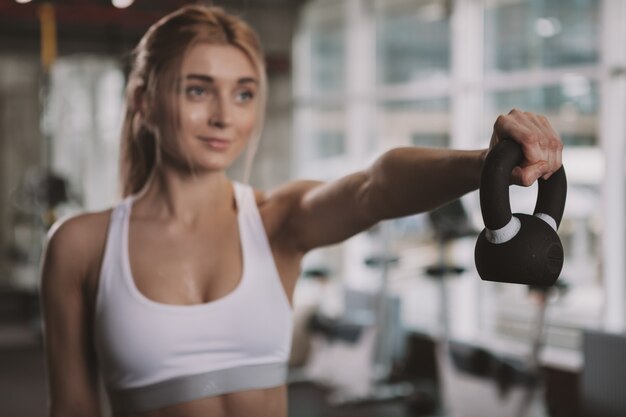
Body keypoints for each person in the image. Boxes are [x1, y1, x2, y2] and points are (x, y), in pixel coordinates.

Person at [39, 4, 563, 417]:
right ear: (143, 100)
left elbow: (374, 188)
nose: (224, 116)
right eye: (198, 90)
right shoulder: (81, 246)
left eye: (243, 94)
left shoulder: (275, 223)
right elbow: (74, 408)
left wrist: (486, 163)